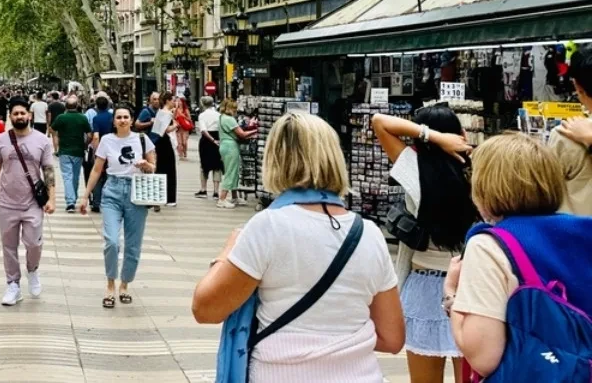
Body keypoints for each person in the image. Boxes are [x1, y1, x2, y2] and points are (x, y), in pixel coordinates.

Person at [192, 112, 406, 380]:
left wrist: (226, 253)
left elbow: (205, 309)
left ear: (274, 160)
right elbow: (392, 337)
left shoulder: (267, 227)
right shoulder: (369, 234)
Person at [444, 133, 592, 378]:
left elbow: (483, 357)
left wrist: (451, 294)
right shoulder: (584, 231)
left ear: (485, 187)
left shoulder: (490, 246)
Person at [371, 107, 478, 382]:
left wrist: (434, 137)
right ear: (462, 134)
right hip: (470, 288)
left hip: (423, 287)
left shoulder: (414, 169)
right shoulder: (479, 170)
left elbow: (380, 122)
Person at [80, 104, 156, 308]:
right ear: (114, 121)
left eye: (126, 117)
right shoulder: (106, 140)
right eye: (119, 117)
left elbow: (153, 165)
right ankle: (110, 284)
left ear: (132, 120)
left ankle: (124, 285)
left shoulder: (142, 139)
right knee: (112, 241)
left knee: (133, 245)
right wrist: (85, 196)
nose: (122, 120)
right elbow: (97, 169)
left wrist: (147, 166)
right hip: (112, 190)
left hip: (136, 192)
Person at [0, 97, 56, 306]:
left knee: (33, 243)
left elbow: (49, 170)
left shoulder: (42, 140)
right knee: (8, 246)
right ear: (10, 117)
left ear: (30, 115)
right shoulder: (1, 140)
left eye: (22, 113)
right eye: (15, 114)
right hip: (7, 202)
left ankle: (32, 269)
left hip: (33, 202)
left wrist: (51, 199)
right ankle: (13, 284)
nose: (19, 117)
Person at [51, 95, 92, 213]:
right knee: (75, 176)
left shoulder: (61, 118)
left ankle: (70, 202)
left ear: (66, 106)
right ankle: (72, 199)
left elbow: (52, 129)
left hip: (64, 150)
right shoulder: (83, 118)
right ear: (77, 105)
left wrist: (58, 136)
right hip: (78, 151)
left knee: (67, 176)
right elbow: (89, 135)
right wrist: (85, 144)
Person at [217, 99, 258, 208]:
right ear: (229, 108)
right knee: (231, 172)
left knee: (234, 172)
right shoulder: (229, 119)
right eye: (234, 108)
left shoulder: (221, 117)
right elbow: (242, 134)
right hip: (230, 147)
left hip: (225, 145)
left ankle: (234, 197)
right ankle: (222, 199)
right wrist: (256, 130)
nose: (236, 110)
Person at [85, 95, 114, 213]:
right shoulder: (113, 117)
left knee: (98, 176)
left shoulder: (96, 118)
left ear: (96, 106)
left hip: (102, 150)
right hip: (113, 150)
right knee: (110, 176)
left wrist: (97, 153)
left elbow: (96, 137)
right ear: (108, 105)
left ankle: (96, 202)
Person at [152, 92, 179, 209]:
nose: (174, 102)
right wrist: (175, 125)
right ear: (167, 101)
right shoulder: (167, 113)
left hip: (159, 143)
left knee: (161, 168)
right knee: (169, 169)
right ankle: (170, 197)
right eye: (172, 100)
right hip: (165, 142)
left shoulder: (160, 112)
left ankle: (159, 195)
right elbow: (165, 129)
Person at [196, 96, 223, 199]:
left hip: (206, 141)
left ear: (203, 104)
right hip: (218, 138)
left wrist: (211, 140)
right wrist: (217, 140)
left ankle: (203, 190)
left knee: (204, 165)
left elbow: (203, 130)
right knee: (217, 166)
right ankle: (216, 192)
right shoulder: (219, 115)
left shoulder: (202, 115)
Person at [174, 96, 192, 162]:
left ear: (182, 102)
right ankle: (180, 154)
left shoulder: (186, 110)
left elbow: (190, 119)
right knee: (179, 143)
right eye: (177, 101)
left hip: (185, 128)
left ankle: (185, 152)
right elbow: (173, 118)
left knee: (184, 142)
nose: (178, 102)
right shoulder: (175, 109)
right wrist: (176, 109)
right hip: (178, 128)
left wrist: (184, 116)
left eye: (180, 101)